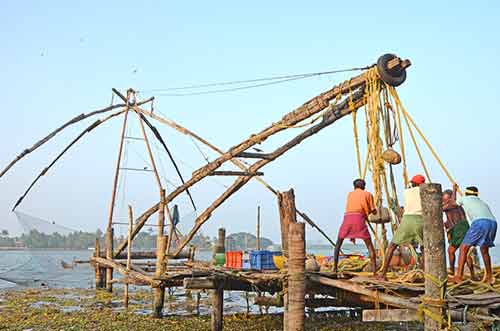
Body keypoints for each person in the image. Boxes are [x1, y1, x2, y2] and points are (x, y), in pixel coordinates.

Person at [378, 174, 426, 280]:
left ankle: (383, 274)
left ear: (413, 183)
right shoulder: (425, 192)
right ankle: (425, 276)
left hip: (407, 219)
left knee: (392, 246)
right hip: (420, 220)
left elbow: (400, 209)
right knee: (424, 249)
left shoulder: (407, 192)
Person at [453, 185, 497, 284]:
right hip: (493, 223)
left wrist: (454, 190)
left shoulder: (464, 198)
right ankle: (489, 277)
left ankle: (458, 276)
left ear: (466, 193)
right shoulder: (483, 203)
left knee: (463, 248)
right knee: (484, 250)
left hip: (480, 222)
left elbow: (453, 204)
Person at [333, 179, 378, 276]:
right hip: (359, 219)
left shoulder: (350, 194)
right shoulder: (368, 194)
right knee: (369, 246)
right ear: (364, 186)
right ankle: (375, 273)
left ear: (354, 187)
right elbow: (373, 211)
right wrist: (374, 210)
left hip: (347, 219)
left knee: (338, 243)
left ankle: (334, 268)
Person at [442, 189, 475, 279]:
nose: (443, 201)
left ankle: (455, 272)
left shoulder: (452, 204)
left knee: (461, 251)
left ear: (450, 198)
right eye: (443, 200)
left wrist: (454, 190)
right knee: (457, 251)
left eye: (445, 199)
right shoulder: (452, 206)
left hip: (460, 228)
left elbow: (441, 208)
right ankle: (470, 274)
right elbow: (449, 220)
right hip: (459, 228)